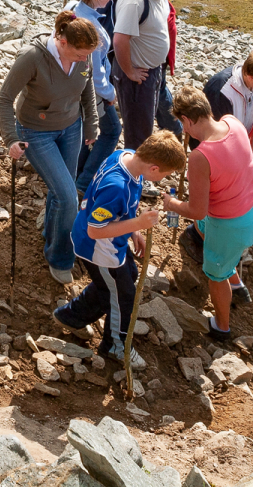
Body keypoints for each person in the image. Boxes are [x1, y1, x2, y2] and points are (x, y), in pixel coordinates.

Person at [0, 11, 101, 285]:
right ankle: (60, 258)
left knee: (60, 194)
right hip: (35, 131)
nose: (84, 59)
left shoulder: (83, 55)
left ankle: (53, 236)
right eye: (80, 54)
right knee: (68, 197)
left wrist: (91, 124)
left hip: (72, 128)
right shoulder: (32, 57)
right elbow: (5, 98)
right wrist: (10, 138)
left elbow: (87, 88)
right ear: (63, 42)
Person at [54, 132, 173, 367]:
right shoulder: (116, 186)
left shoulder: (127, 157)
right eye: (166, 174)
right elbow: (95, 230)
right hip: (99, 249)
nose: (165, 179)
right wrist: (138, 223)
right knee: (122, 296)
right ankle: (115, 346)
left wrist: (133, 232)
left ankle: (71, 316)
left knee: (126, 277)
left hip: (111, 244)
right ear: (154, 168)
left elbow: (122, 210)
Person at [160, 87, 253, 341]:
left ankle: (222, 326)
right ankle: (237, 284)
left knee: (215, 274)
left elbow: (197, 209)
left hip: (233, 224)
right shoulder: (232, 122)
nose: (184, 130)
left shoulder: (200, 157)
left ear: (187, 120)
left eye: (182, 124)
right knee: (202, 226)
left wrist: (172, 204)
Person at [112, 0, 183, 148]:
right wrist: (129, 72)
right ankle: (135, 173)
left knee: (146, 126)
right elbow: (119, 40)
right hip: (137, 77)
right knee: (138, 132)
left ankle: (140, 170)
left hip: (152, 72)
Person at [66, 0, 120, 194]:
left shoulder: (71, 9)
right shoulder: (93, 29)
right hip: (90, 91)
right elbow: (96, 73)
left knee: (80, 131)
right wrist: (110, 95)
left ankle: (74, 176)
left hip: (71, 83)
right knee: (112, 130)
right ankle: (84, 182)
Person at [202, 47, 253, 156]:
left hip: (236, 143)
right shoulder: (222, 90)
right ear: (251, 77)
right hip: (216, 150)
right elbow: (213, 132)